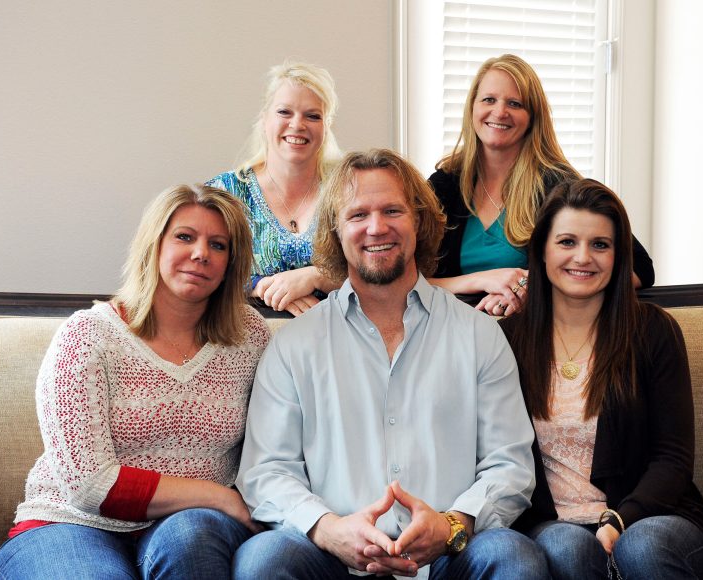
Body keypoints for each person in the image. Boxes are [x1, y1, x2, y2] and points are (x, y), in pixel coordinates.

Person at [233, 148, 547, 579]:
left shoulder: (479, 336)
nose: (376, 227)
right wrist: (330, 530)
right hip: (333, 563)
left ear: (418, 220)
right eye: (357, 214)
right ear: (335, 230)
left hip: (451, 560)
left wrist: (453, 523)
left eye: (392, 210)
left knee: (513, 556)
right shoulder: (294, 346)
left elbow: (509, 464)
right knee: (264, 560)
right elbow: (266, 472)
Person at [0, 185, 270, 579]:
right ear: (153, 246)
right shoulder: (88, 336)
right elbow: (89, 485)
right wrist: (219, 497)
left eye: (218, 245)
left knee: (194, 538)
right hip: (71, 525)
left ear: (231, 262)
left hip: (188, 526)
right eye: (184, 237)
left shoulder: (250, 337)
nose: (201, 254)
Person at [501, 179, 703, 579]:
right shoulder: (509, 339)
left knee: (643, 546)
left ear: (619, 256)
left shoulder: (653, 330)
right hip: (556, 524)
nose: (583, 257)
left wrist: (622, 518)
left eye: (600, 244)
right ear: (542, 251)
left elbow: (673, 458)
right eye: (567, 241)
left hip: (652, 517)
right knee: (563, 545)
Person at [429, 54, 654, 317]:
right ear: (472, 108)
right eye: (489, 99)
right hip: (452, 333)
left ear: (532, 117)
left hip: (532, 335)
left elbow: (639, 268)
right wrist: (479, 281)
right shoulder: (443, 184)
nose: (500, 112)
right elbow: (402, 279)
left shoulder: (558, 186)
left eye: (515, 103)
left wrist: (533, 290)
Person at [207, 61, 343, 316]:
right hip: (244, 342)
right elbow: (200, 267)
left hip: (337, 340)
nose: (297, 125)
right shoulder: (225, 193)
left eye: (313, 115)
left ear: (327, 127)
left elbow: (380, 269)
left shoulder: (348, 192)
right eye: (284, 112)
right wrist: (262, 287)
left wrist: (317, 277)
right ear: (263, 119)